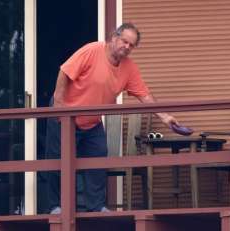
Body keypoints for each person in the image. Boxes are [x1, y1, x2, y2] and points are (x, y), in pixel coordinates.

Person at [45, 22, 178, 214]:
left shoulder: (129, 68)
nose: (127, 47)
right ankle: (55, 207)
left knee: (98, 158)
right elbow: (64, 72)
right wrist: (58, 107)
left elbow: (144, 95)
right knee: (58, 160)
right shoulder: (92, 50)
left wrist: (165, 117)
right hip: (65, 114)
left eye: (131, 45)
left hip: (92, 122)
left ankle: (96, 207)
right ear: (114, 37)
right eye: (125, 41)